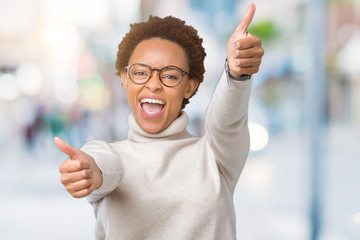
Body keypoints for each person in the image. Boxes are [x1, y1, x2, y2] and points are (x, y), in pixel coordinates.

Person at [54, 3, 264, 240]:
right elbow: (105, 166)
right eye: (140, 73)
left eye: (170, 75)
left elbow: (226, 123)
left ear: (190, 87)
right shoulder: (108, 155)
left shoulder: (215, 156)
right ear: (125, 79)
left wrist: (236, 74)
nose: (153, 84)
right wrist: (89, 171)